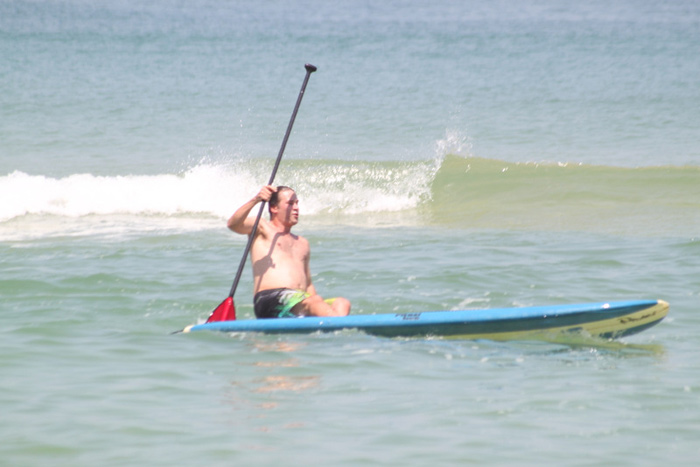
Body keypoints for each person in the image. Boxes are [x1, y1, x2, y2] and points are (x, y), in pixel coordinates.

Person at [227, 185, 351, 319]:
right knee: (314, 302)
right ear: (274, 208)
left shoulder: (302, 243)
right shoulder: (262, 228)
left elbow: (308, 283)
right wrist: (256, 199)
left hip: (302, 301)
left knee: (341, 303)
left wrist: (317, 304)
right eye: (290, 203)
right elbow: (234, 224)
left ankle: (332, 329)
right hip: (271, 299)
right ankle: (342, 329)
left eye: (297, 203)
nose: (297, 208)